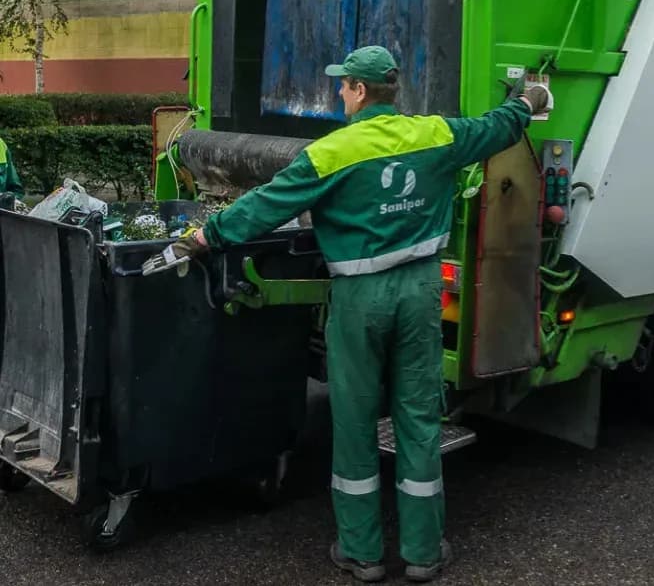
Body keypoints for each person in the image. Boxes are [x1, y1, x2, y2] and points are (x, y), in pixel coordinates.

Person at [150, 45, 551, 582]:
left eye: (343, 85)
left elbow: (266, 206)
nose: (339, 92)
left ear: (361, 91)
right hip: (420, 291)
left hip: (361, 297)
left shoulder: (332, 153)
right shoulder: (436, 134)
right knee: (417, 418)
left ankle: (362, 554)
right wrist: (530, 99)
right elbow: (496, 127)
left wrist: (203, 236)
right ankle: (423, 553)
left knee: (357, 420)